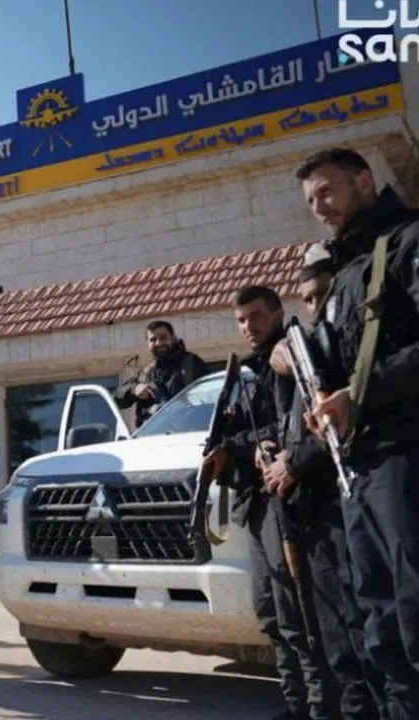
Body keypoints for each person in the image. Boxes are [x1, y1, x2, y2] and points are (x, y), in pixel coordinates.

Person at [294, 147, 419, 717]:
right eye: (310, 200)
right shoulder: (348, 270)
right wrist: (323, 406)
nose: (318, 207)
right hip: (360, 465)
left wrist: (360, 395)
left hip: (405, 451)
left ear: (364, 182)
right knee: (380, 617)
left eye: (326, 192)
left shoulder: (407, 244)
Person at [205, 286, 334, 718]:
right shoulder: (250, 372)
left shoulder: (291, 358)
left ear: (278, 312)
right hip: (258, 504)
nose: (249, 327)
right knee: (271, 615)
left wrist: (261, 444)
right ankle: (295, 702)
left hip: (295, 503)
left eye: (256, 316)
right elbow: (249, 432)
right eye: (241, 320)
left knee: (299, 616)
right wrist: (232, 449)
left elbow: (300, 425)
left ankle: (317, 707)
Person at [270, 261, 387, 719]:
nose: (318, 306)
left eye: (324, 295)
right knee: (335, 640)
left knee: (372, 639)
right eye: (311, 298)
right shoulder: (308, 348)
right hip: (314, 513)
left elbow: (344, 425)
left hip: (355, 506)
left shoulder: (355, 347)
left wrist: (293, 462)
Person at [113, 320, 212, 428]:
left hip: (186, 433)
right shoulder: (147, 373)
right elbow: (116, 397)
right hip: (153, 437)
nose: (158, 343)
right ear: (148, 343)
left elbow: (212, 398)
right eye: (153, 340)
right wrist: (134, 390)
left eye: (163, 337)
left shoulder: (193, 364)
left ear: (173, 338)